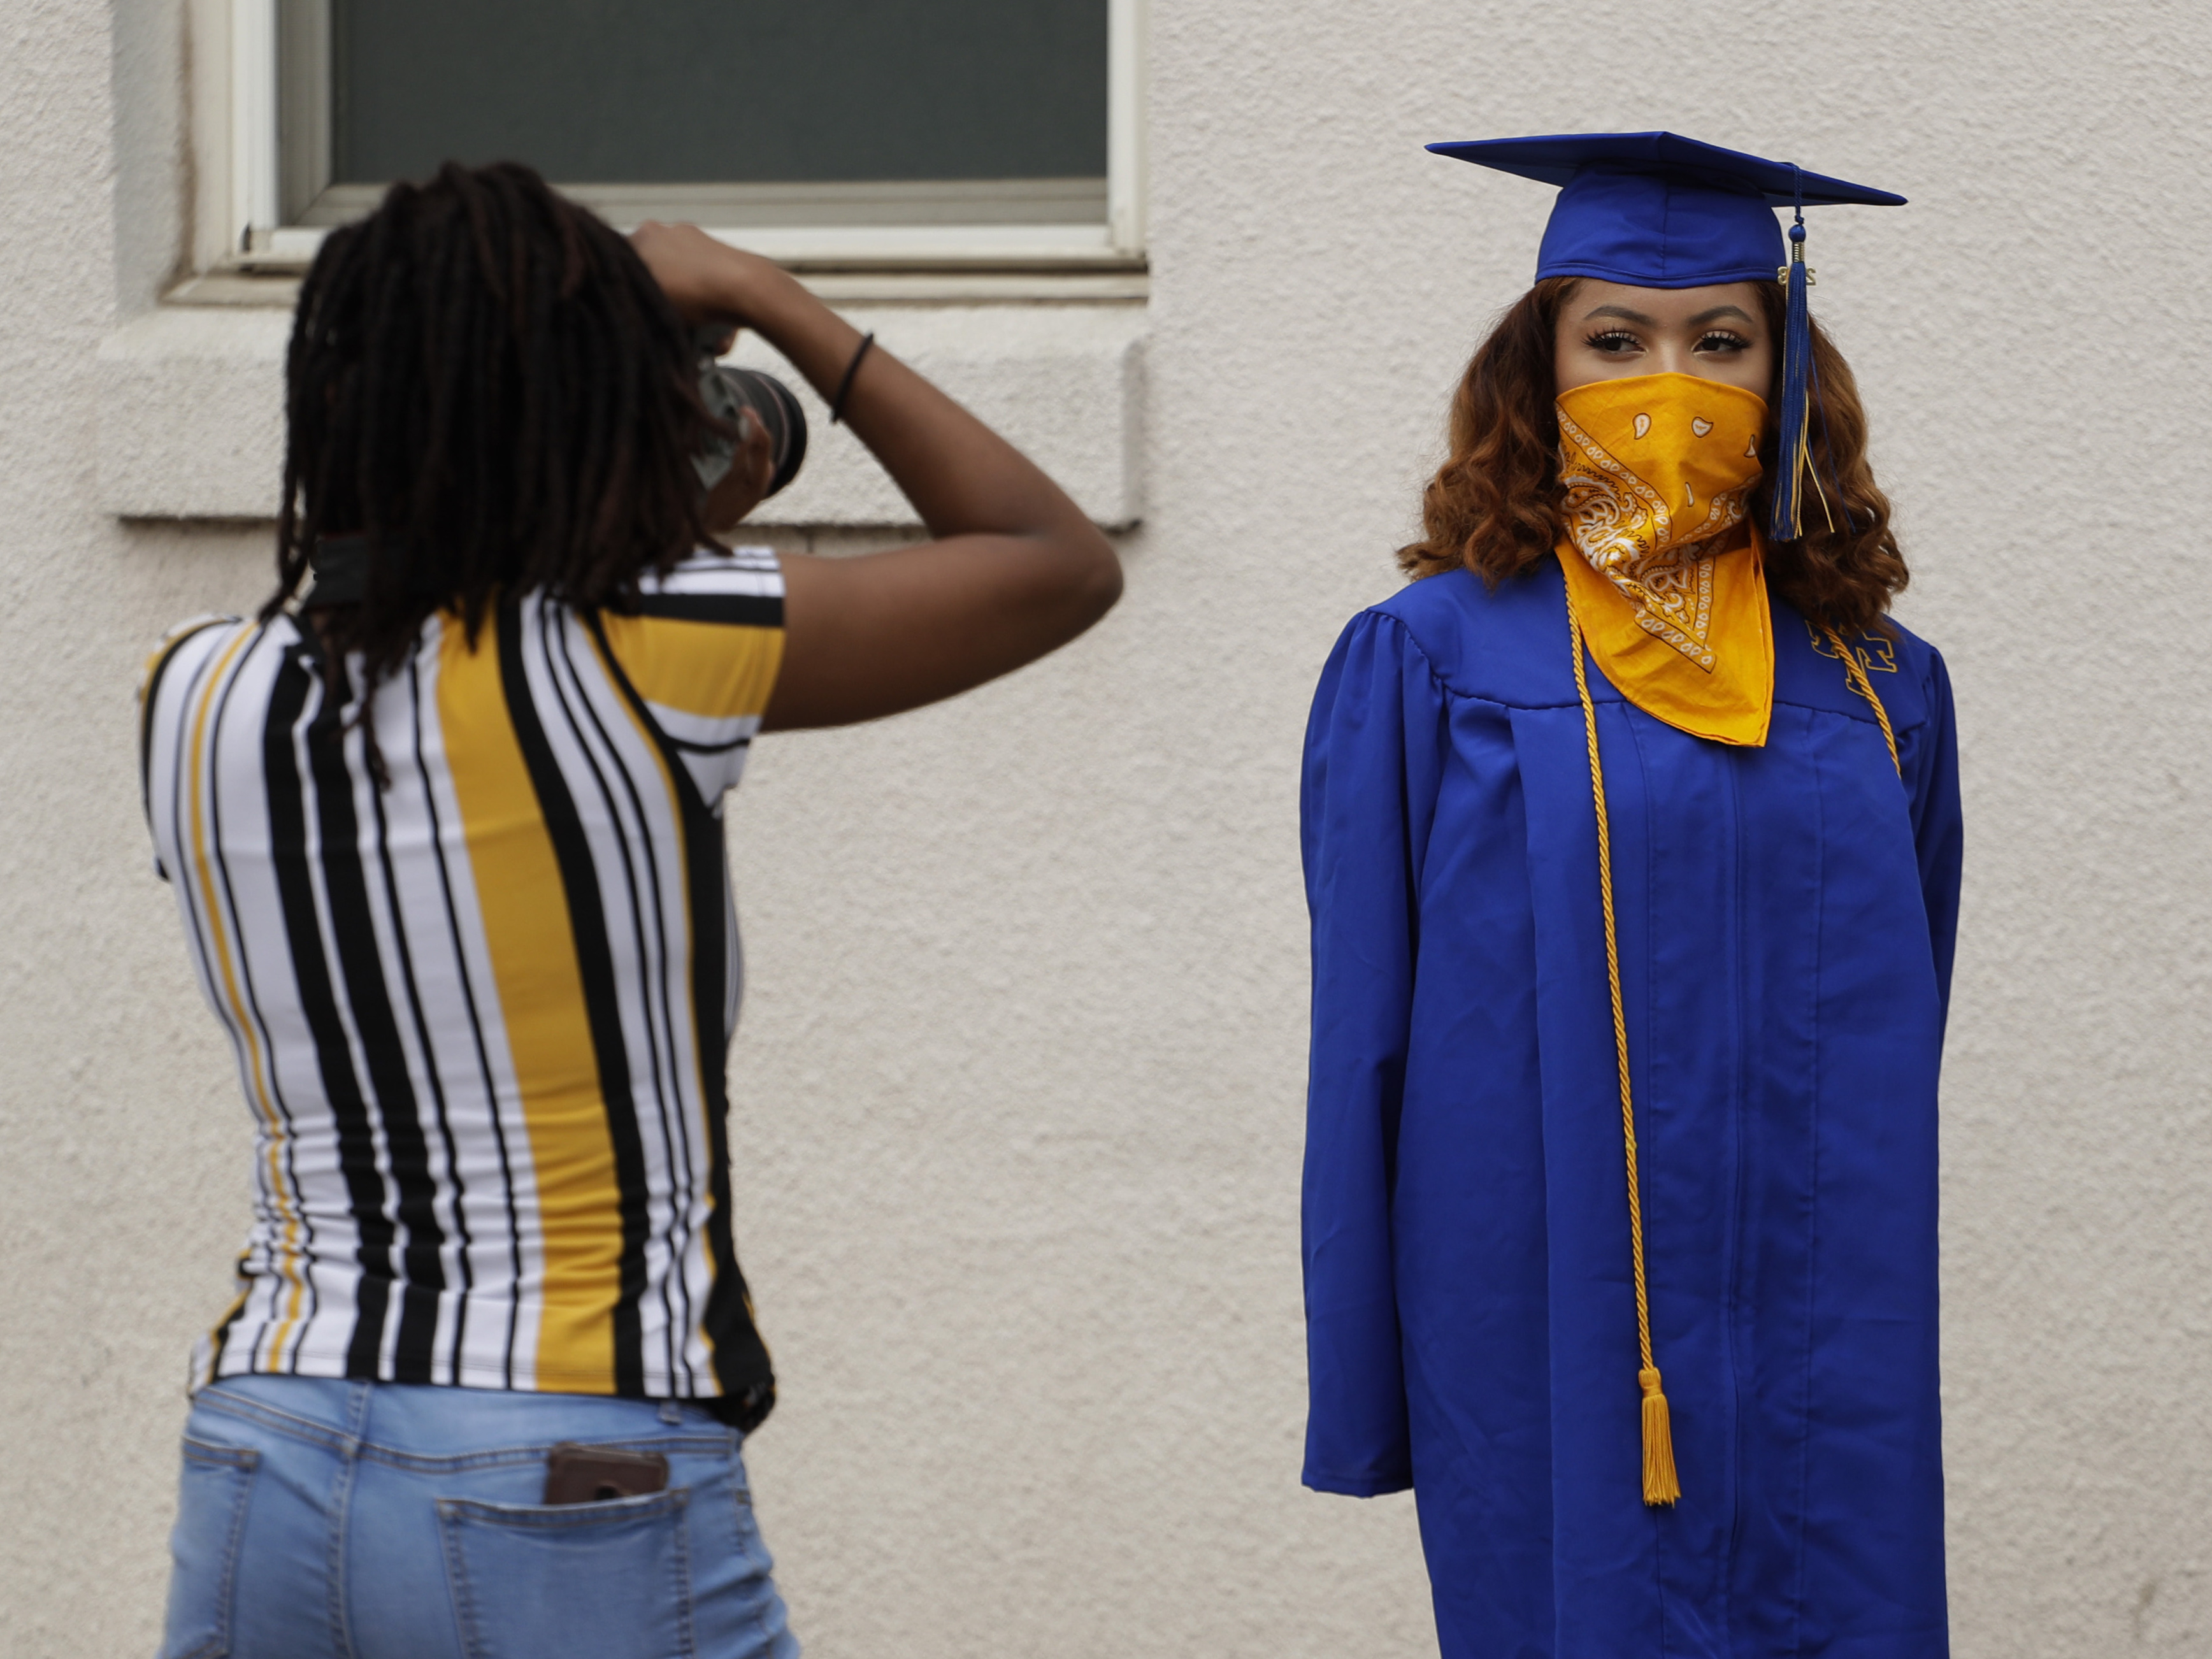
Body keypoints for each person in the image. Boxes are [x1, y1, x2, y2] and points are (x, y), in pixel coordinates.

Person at [138, 161, 1120, 1659]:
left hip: (265, 1443)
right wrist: (756, 298)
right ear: (587, 415)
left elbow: (460, 604)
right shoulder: (653, 649)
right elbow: (1053, 563)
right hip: (565, 1454)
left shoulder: (196, 692)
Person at [1299, 133, 1962, 1658]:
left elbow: (1907, 1008)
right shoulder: (1430, 661)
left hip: (1820, 1306)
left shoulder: (1879, 688)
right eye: (1615, 340)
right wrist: (1364, 1382)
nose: (1669, 381)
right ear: (1538, 371)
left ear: (1785, 378)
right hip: (1536, 1295)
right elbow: (1363, 1046)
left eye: (1720, 341)